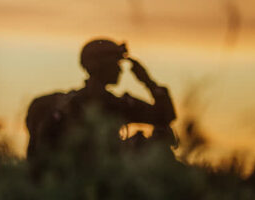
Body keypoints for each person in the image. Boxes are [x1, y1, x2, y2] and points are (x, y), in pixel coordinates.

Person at [26, 39, 176, 165]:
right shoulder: (113, 104)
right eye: (117, 64)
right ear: (102, 65)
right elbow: (165, 116)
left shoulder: (59, 101)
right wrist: (148, 81)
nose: (121, 71)